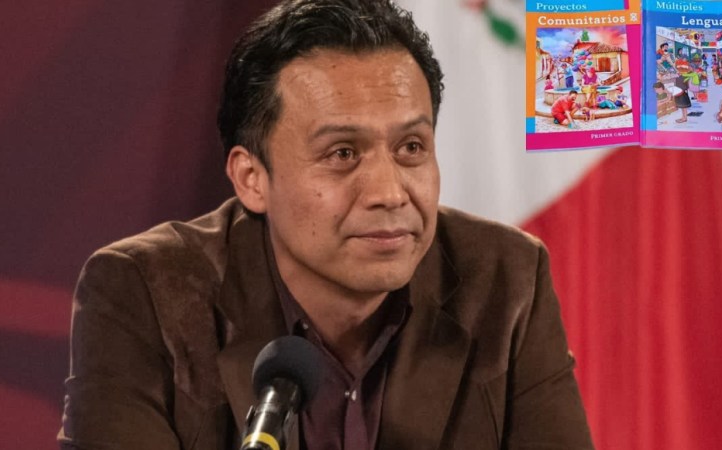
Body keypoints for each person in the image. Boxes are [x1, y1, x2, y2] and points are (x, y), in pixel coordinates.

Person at [57, 1, 594, 449]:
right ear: (251, 179)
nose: (389, 193)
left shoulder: (505, 279)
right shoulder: (144, 292)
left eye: (411, 147)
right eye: (342, 153)